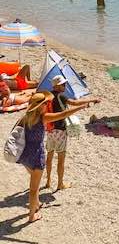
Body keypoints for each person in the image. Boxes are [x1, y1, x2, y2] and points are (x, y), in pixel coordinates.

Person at [17, 91, 91, 222]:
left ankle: (37, 203)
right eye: (46, 103)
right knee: (34, 189)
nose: (47, 105)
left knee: (34, 181)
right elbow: (63, 114)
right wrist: (81, 106)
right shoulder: (43, 117)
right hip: (36, 156)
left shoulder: (25, 117)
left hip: (24, 155)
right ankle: (32, 215)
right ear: (40, 106)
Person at [45, 76, 101, 191]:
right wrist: (91, 100)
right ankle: (60, 184)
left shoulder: (48, 95)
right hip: (60, 130)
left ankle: (48, 181)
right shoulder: (61, 96)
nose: (65, 86)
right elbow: (75, 103)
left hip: (50, 129)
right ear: (57, 86)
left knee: (49, 156)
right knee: (61, 159)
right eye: (63, 84)